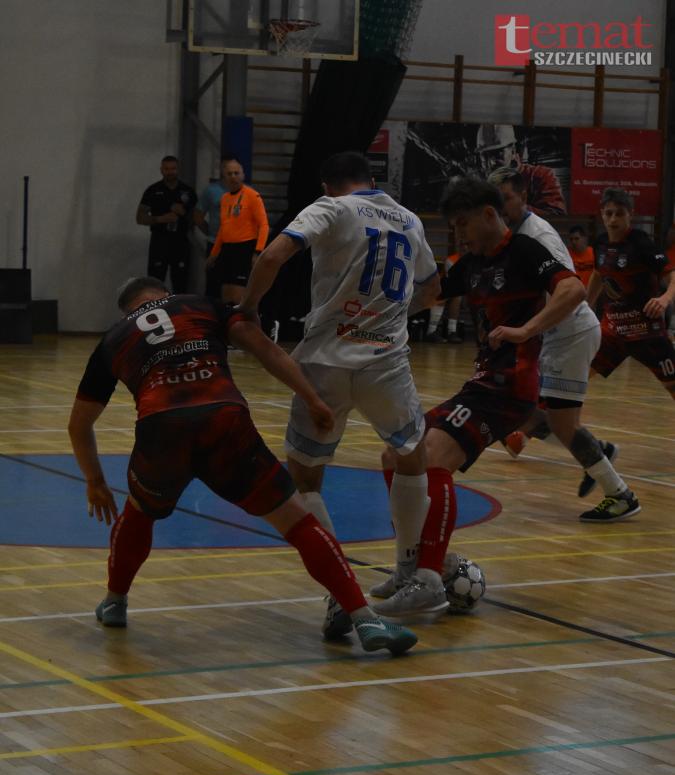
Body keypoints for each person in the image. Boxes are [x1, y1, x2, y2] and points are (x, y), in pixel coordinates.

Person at [67, 276, 416, 656]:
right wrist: (312, 398)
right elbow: (265, 350)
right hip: (224, 418)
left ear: (127, 310)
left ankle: (114, 602)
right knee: (298, 522)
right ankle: (365, 617)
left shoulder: (114, 338)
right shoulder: (199, 305)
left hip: (162, 427)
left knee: (139, 513)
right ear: (165, 295)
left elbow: (79, 424)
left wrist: (95, 482)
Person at [240, 151, 442, 629]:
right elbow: (433, 289)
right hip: (386, 363)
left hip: (324, 363)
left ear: (327, 185)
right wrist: (392, 315)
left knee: (306, 479)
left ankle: (340, 593)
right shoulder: (409, 219)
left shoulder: (332, 207)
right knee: (411, 456)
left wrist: (248, 309)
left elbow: (272, 255)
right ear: (371, 179)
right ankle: (407, 570)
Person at [373, 177, 585, 617]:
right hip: (481, 385)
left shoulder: (525, 251)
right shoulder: (470, 264)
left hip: (510, 389)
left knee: (433, 456)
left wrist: (526, 330)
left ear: (489, 215)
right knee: (396, 456)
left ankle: (430, 579)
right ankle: (409, 566)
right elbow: (429, 295)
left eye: (463, 223)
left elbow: (573, 290)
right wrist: (374, 317)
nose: (459, 233)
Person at [488, 168, 638, 522]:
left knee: (561, 423)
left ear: (524, 197)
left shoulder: (538, 235)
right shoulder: (511, 234)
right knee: (521, 412)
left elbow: (571, 293)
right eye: (496, 200)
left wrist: (526, 329)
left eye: (506, 199)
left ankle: (620, 494)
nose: (501, 207)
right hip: (552, 336)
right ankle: (598, 451)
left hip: (571, 335)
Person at [586, 187, 675, 444]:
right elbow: (598, 274)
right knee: (576, 376)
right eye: (608, 213)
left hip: (647, 334)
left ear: (631, 215)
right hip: (613, 333)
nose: (613, 219)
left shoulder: (641, 243)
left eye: (619, 213)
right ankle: (526, 433)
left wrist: (664, 299)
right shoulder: (600, 243)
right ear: (602, 214)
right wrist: (585, 306)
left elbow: (672, 276)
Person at [206, 157, 269, 303]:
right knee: (225, 294)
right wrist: (214, 254)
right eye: (229, 174)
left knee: (238, 295)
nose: (233, 177)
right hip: (227, 250)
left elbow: (264, 225)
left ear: (243, 175)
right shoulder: (225, 198)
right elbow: (223, 229)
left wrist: (257, 252)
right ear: (224, 177)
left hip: (245, 249)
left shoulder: (252, 196)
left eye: (236, 173)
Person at [475, 124, 566, 217]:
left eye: (498, 153)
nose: (492, 162)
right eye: (485, 155)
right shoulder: (480, 185)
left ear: (513, 150)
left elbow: (557, 217)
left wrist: (512, 205)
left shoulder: (541, 176)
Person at [136, 156, 197, 294]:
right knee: (154, 284)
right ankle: (155, 307)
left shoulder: (188, 191)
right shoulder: (153, 190)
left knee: (181, 284)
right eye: (167, 169)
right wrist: (160, 219)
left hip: (180, 242)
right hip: (159, 241)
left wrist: (184, 213)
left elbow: (197, 218)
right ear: (161, 170)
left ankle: (179, 308)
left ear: (178, 169)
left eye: (173, 168)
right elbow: (140, 218)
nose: (170, 172)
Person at [193, 158, 231, 298]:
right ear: (221, 170)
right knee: (213, 284)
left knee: (234, 284)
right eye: (227, 169)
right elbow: (198, 216)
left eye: (235, 171)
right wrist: (210, 231)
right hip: (215, 242)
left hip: (238, 245)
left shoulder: (247, 192)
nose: (231, 174)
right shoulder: (211, 190)